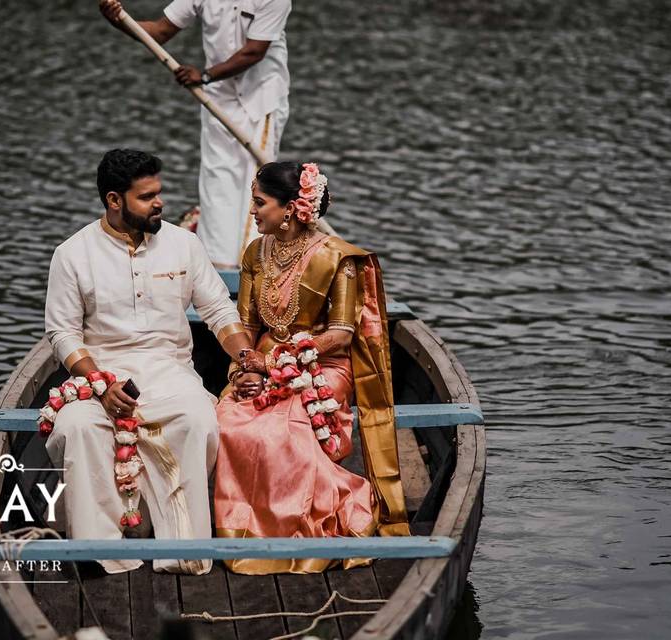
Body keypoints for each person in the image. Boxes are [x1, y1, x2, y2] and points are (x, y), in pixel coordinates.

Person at [43, 149, 256, 575]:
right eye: (147, 196)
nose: (159, 202)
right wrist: (101, 385)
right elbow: (63, 333)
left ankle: (182, 550)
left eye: (159, 192)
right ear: (114, 200)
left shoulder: (184, 244)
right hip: (101, 374)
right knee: (77, 428)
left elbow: (219, 311)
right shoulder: (73, 254)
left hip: (170, 370)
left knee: (198, 420)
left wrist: (247, 357)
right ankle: (100, 555)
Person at [213, 161, 410, 574]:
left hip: (324, 365)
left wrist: (274, 361)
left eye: (259, 202)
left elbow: (339, 335)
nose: (251, 210)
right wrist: (247, 367)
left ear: (290, 209)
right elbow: (247, 323)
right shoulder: (255, 252)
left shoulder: (337, 259)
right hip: (262, 359)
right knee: (227, 420)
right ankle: (241, 529)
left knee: (280, 430)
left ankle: (302, 525)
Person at [99, 0, 292, 269]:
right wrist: (118, 20)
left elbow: (254, 52)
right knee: (217, 183)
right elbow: (158, 31)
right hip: (217, 99)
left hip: (260, 99)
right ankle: (220, 268)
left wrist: (204, 75)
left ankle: (254, 266)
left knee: (257, 183)